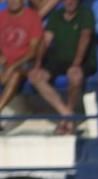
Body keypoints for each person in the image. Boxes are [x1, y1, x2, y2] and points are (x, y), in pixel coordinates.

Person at [25, 0, 95, 135]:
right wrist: (38, 64)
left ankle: (66, 118)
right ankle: (67, 115)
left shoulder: (86, 14)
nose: (70, 2)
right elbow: (46, 40)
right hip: (59, 60)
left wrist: (76, 63)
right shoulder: (56, 16)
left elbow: (85, 37)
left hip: (81, 60)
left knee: (75, 76)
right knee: (35, 77)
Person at [0, 0, 43, 130]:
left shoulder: (32, 17)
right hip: (5, 61)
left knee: (15, 74)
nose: (13, 2)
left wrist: (12, 66)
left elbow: (33, 52)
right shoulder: (1, 17)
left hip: (24, 62)